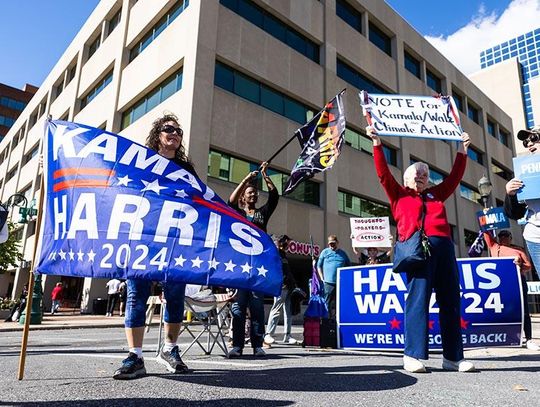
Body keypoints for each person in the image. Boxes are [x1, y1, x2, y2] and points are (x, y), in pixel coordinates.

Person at [368, 126, 475, 373]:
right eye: (416, 173)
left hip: (445, 250)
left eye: (425, 175)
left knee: (450, 302)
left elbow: (455, 177)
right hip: (418, 251)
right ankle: (413, 355)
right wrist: (376, 143)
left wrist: (463, 149)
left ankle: (453, 358)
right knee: (418, 301)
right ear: (406, 179)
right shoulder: (398, 194)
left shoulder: (437, 194)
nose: (421, 177)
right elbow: (383, 173)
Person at [113, 114, 193, 380]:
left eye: (178, 131)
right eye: (169, 129)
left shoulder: (185, 168)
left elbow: (198, 200)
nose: (175, 133)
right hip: (142, 237)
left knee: (175, 295)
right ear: (158, 133)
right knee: (136, 294)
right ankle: (135, 356)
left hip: (174, 240)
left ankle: (170, 350)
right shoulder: (141, 161)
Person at [227, 162, 279, 357]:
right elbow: (230, 202)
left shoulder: (261, 214)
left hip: (258, 267)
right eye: (250, 193)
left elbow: (274, 197)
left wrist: (265, 176)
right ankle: (237, 346)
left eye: (255, 193)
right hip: (240, 266)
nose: (253, 195)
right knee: (238, 307)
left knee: (257, 307)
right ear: (244, 197)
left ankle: (258, 344)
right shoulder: (237, 214)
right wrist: (245, 180)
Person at [483, 230, 538, 350]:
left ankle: (528, 338)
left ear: (510, 237)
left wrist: (520, 265)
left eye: (506, 235)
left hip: (518, 282)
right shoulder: (494, 247)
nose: (503, 238)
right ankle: (502, 337)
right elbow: (485, 232)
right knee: (500, 309)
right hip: (500, 283)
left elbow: (528, 265)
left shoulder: (518, 250)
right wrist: (486, 215)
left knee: (524, 310)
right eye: (501, 236)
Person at [504, 126, 540, 281]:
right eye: (526, 142)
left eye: (534, 139)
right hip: (536, 236)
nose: (529, 144)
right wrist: (510, 194)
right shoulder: (525, 172)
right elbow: (515, 214)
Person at [264, 234, 300, 345]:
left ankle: (287, 335)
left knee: (288, 311)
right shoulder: (275, 253)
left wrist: (294, 284)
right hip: (281, 285)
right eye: (287, 243)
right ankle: (269, 334)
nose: (288, 245)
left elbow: (287, 270)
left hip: (288, 286)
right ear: (282, 242)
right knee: (276, 308)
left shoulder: (283, 254)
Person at [317, 235, 350, 317]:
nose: (331, 245)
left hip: (340, 283)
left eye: (333, 244)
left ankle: (337, 319)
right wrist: (322, 278)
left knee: (339, 302)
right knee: (327, 302)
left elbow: (349, 267)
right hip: (328, 283)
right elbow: (318, 266)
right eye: (330, 244)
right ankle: (326, 320)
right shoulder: (325, 252)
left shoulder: (343, 254)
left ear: (337, 243)